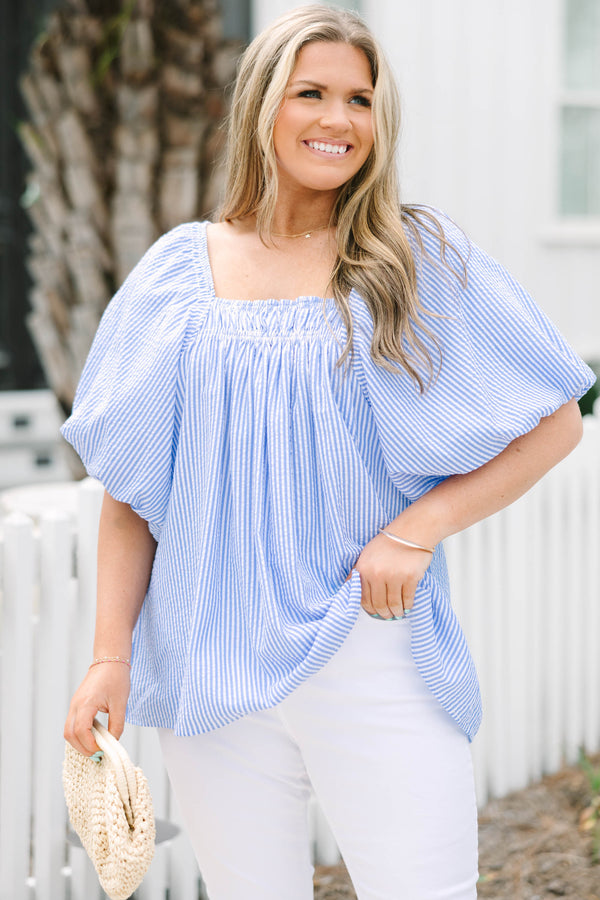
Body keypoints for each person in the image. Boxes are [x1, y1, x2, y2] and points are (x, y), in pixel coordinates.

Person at [62, 5, 595, 899]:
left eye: (360, 100)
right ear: (262, 107)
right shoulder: (174, 276)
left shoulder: (411, 259)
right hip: (204, 660)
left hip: (368, 644)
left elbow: (557, 418)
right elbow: (131, 493)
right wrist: (109, 656)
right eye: (312, 92)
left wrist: (419, 527)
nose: (338, 120)